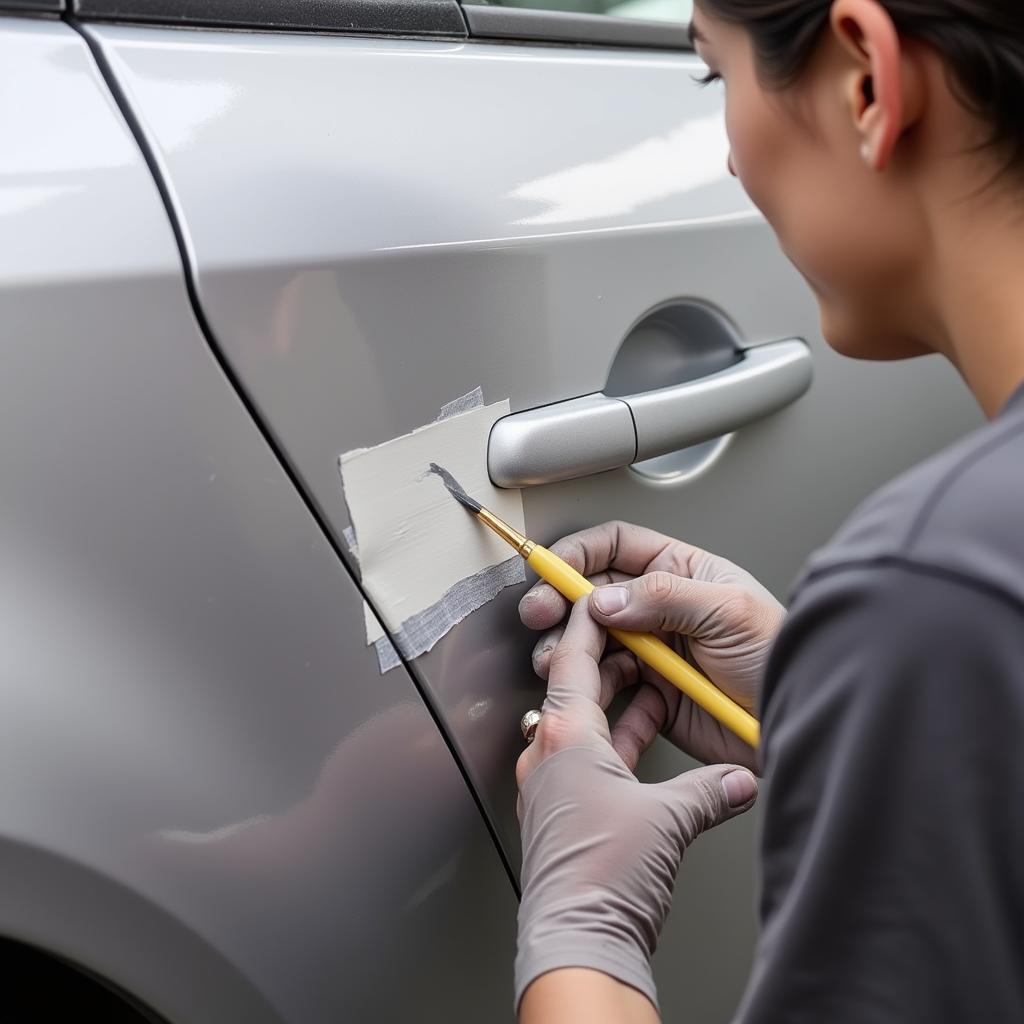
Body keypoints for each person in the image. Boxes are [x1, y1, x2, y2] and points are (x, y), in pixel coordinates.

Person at [512, 1, 1024, 1021]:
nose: (735, 160)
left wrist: (583, 935)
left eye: (718, 77)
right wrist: (841, 718)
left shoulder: (940, 595)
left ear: (868, 81)